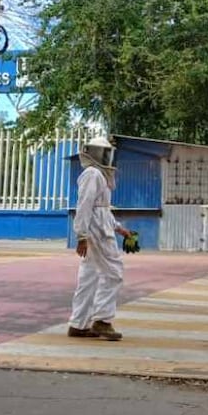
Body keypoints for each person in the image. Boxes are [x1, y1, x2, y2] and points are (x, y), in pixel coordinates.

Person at [68, 136, 132, 341]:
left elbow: (101, 208)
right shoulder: (92, 173)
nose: (107, 157)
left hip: (99, 228)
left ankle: (78, 324)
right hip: (96, 231)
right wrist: (81, 235)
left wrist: (119, 228)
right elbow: (85, 205)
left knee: (90, 276)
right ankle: (102, 321)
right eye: (104, 152)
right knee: (114, 272)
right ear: (94, 153)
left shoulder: (98, 175)